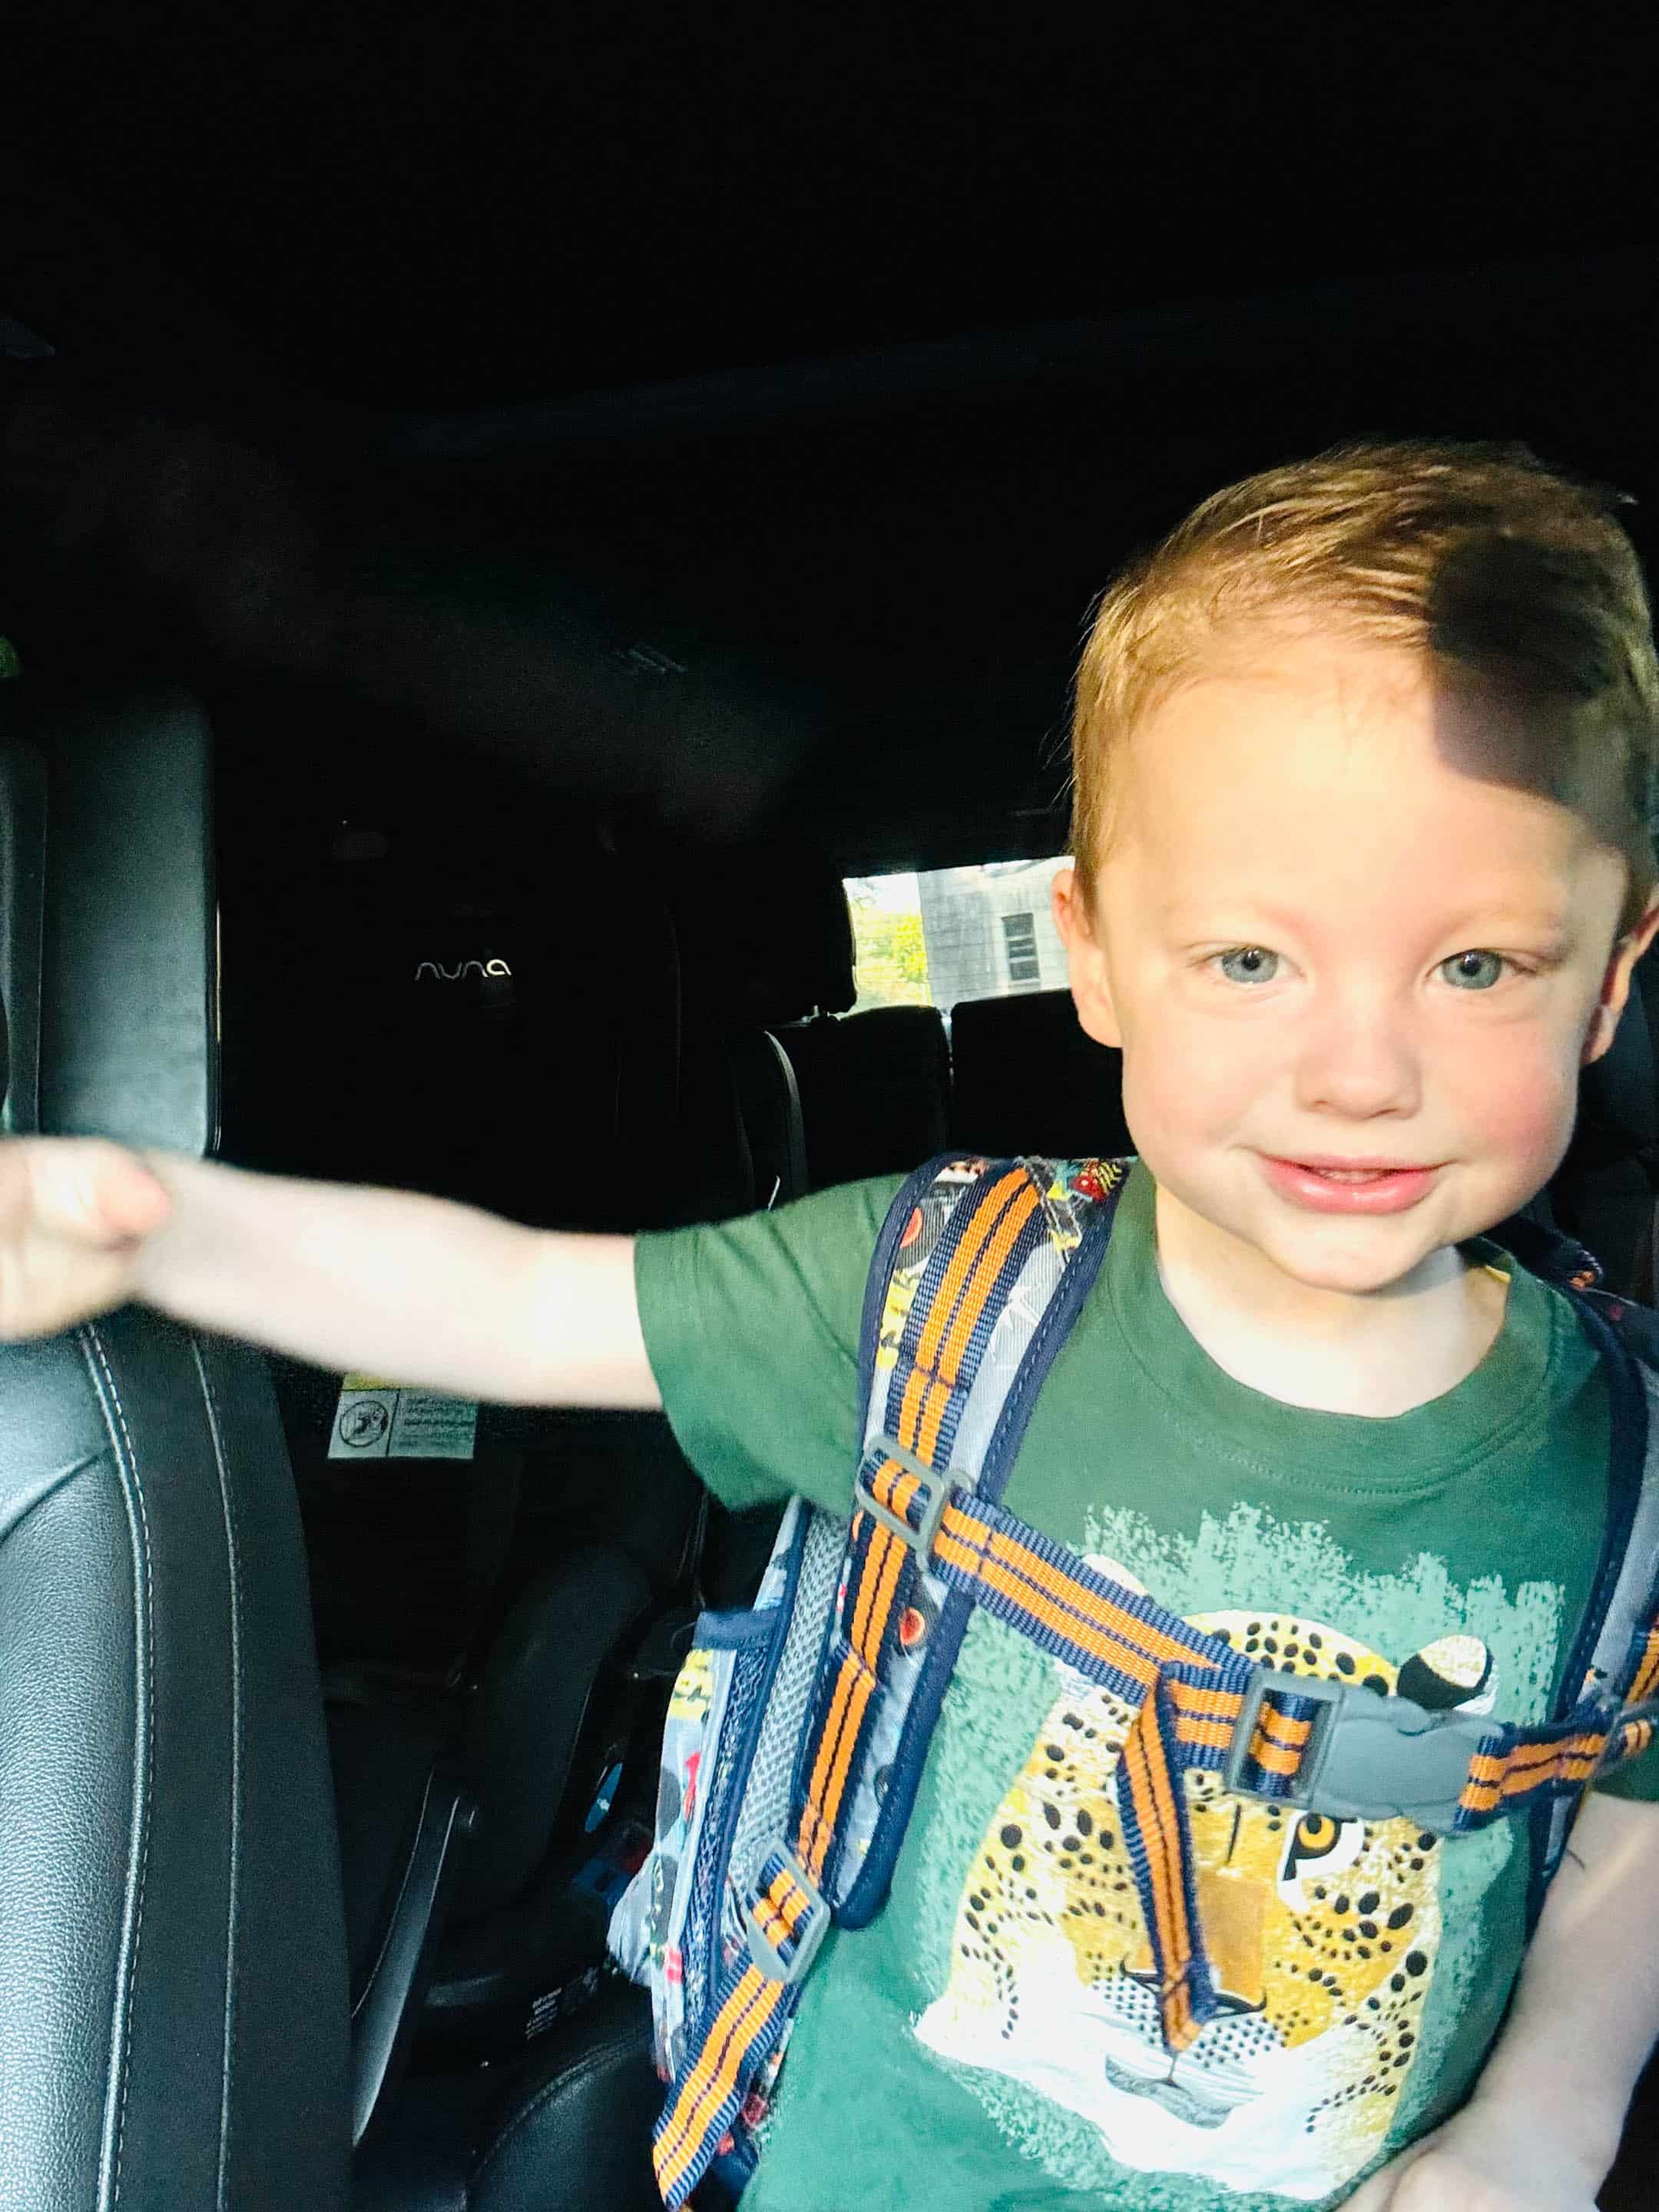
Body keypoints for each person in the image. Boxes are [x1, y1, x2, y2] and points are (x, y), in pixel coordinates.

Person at [4, 439, 1658, 2212]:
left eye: (1475, 967)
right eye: (1251, 960)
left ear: (1610, 977)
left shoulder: (1629, 1468)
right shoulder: (940, 1299)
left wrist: (1544, 2118)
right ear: (1096, 954)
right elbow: (522, 1301)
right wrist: (157, 1225)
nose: (1361, 1072)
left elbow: (1619, 1817)